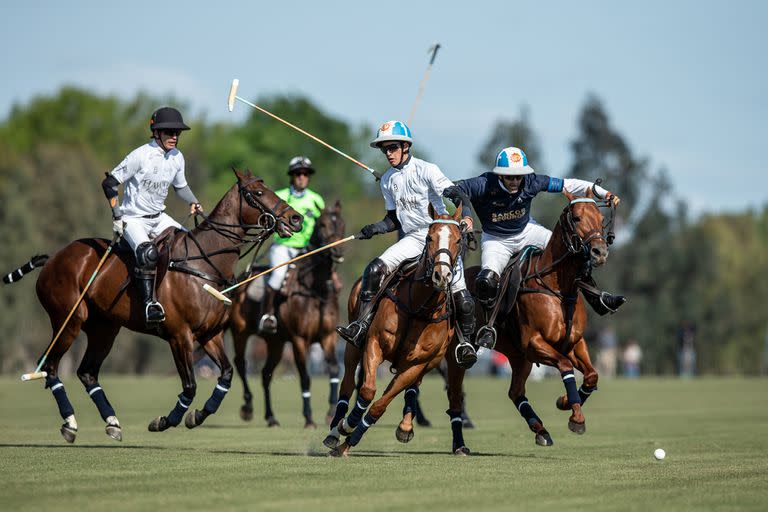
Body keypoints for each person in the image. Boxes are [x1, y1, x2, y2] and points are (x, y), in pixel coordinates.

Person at [446, 146, 626, 349]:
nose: (515, 181)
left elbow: (569, 185)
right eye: (509, 177)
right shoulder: (483, 183)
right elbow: (455, 190)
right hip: (497, 240)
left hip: (528, 231)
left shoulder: (532, 181)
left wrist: (603, 193)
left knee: (571, 252)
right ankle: (488, 326)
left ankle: (596, 297)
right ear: (500, 175)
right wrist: (466, 215)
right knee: (486, 282)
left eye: (518, 176)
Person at [335, 120, 478, 368]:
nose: (388, 153)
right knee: (373, 270)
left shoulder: (427, 170)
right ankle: (361, 325)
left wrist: (464, 216)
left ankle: (465, 343)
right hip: (413, 238)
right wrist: (375, 228)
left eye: (392, 147)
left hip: (439, 235)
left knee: (462, 297)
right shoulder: (387, 180)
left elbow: (454, 193)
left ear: (405, 147)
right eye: (384, 149)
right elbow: (393, 220)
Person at [101, 107, 203, 327]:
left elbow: (181, 187)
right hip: (133, 218)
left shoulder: (177, 157)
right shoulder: (140, 155)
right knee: (147, 254)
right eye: (169, 132)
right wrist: (117, 215)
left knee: (191, 245)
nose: (174, 137)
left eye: (177, 133)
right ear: (156, 133)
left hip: (159, 217)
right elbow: (109, 184)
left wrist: (194, 201)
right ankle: (149, 304)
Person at [258, 156, 325, 334]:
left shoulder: (316, 200)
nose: (302, 177)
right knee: (279, 275)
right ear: (292, 176)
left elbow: (322, 229)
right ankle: (268, 315)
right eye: (298, 174)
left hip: (306, 251)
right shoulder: (279, 196)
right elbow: (266, 223)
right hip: (282, 248)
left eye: (305, 174)